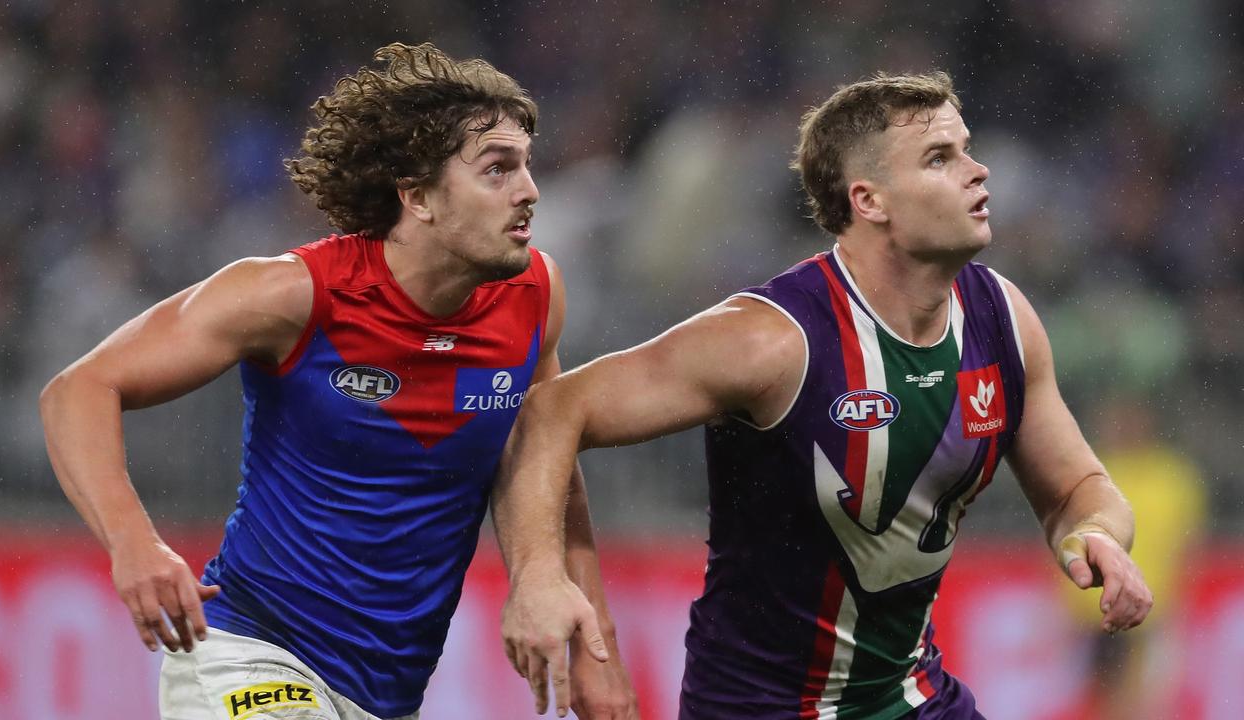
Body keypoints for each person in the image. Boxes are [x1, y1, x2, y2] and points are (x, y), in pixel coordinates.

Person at [491, 71, 1153, 719]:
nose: (977, 172)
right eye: (939, 158)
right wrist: (543, 583)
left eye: (968, 149)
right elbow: (551, 411)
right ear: (870, 201)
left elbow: (1076, 490)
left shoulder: (1002, 317)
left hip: (913, 697)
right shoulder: (770, 341)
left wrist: (1093, 537)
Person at [40, 42, 636, 720]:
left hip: (388, 698)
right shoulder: (292, 294)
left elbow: (543, 456)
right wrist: (133, 543)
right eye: (497, 170)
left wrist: (598, 651)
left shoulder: (535, 295)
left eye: (526, 166)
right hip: (252, 653)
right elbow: (78, 391)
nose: (529, 190)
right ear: (418, 197)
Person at [1060, 395, 1204, 719]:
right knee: (1104, 699)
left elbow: (1188, 548)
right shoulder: (1087, 472)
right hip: (1093, 613)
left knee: (1143, 700)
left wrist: (1179, 602)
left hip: (1150, 612)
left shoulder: (1171, 477)